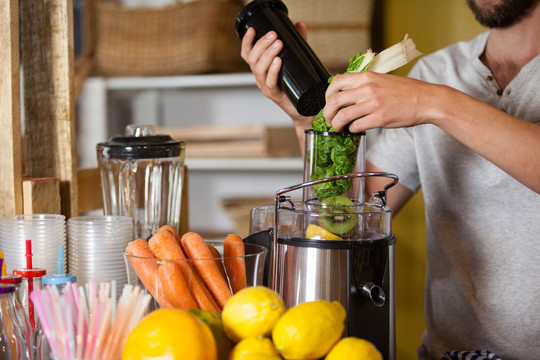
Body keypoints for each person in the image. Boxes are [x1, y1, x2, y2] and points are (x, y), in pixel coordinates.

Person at [240, 0, 540, 359]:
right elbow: (352, 214)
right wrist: (311, 124)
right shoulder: (435, 72)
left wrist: (434, 104)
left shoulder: (430, 90)